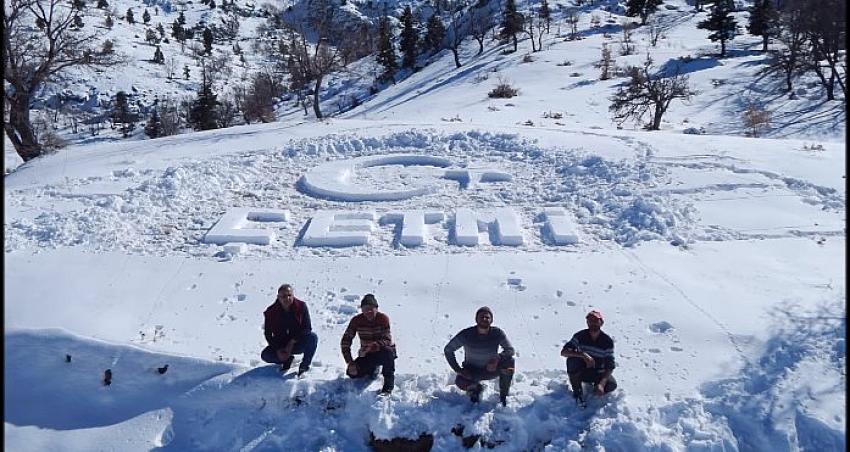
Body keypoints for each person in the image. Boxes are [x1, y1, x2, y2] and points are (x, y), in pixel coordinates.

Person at [444, 306, 515, 406]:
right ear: (476, 319)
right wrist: (458, 370)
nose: (484, 319)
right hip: (472, 372)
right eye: (481, 316)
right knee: (460, 381)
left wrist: (497, 358)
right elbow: (448, 350)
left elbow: (510, 350)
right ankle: (475, 390)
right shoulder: (467, 334)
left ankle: (503, 394)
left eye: (487, 317)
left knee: (509, 361)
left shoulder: (497, 333)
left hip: (492, 370)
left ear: (491, 320)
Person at [340, 294, 396, 395]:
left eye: (371, 309)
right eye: (365, 309)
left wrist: (373, 346)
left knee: (389, 352)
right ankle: (372, 370)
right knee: (352, 373)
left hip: (382, 351)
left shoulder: (383, 318)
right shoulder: (356, 320)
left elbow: (387, 339)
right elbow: (345, 341)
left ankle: (388, 386)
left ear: (376, 308)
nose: (368, 312)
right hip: (367, 355)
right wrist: (350, 362)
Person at [560, 309, 617, 404]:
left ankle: (596, 387)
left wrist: (602, 384)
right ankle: (577, 393)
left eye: (596, 321)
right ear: (587, 323)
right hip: (583, 371)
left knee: (611, 385)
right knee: (572, 360)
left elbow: (610, 366)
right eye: (590, 321)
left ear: (601, 322)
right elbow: (564, 352)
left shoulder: (607, 341)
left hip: (598, 372)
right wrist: (583, 355)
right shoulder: (580, 336)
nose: (593, 323)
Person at [261, 284, 318, 376]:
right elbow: (268, 334)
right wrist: (278, 349)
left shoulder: (301, 306)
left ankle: (304, 366)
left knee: (312, 337)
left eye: (289, 295)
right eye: (283, 296)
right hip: (280, 344)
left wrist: (292, 342)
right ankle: (287, 360)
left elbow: (307, 328)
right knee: (265, 355)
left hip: (297, 343)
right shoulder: (271, 311)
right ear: (278, 297)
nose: (287, 298)